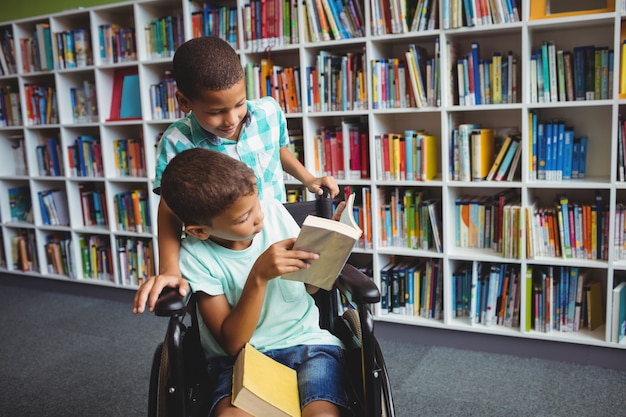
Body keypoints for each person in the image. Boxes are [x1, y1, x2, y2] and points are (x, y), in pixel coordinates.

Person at [133, 36, 338, 313]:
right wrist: (169, 269)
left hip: (273, 229)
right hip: (222, 249)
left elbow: (275, 149)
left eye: (239, 104)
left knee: (289, 300)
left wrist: (307, 178)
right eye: (216, 112)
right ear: (184, 101)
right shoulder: (177, 141)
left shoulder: (268, 111)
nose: (231, 119)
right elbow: (169, 208)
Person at [155, 148, 350, 417]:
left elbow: (309, 288)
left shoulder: (272, 212)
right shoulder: (196, 258)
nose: (259, 216)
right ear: (200, 231)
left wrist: (327, 252)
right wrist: (258, 276)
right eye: (244, 217)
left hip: (309, 346)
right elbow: (233, 344)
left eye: (256, 204)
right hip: (241, 360)